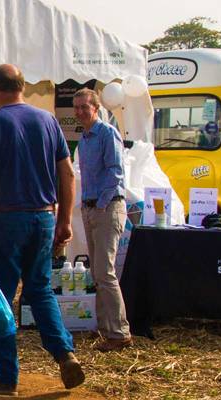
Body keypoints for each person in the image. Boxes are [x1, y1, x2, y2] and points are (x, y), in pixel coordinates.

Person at [0, 64, 85, 395]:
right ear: (22, 86)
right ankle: (65, 354)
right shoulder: (48, 121)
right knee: (40, 289)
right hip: (44, 217)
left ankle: (7, 377)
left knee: (1, 296)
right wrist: (64, 219)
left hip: (6, 219)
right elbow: (67, 174)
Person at [72, 88, 132, 351]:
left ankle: (119, 332)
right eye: (76, 108)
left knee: (105, 272)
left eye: (85, 107)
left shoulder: (107, 133)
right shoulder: (84, 139)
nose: (80, 112)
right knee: (97, 272)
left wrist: (102, 204)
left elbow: (116, 172)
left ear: (96, 108)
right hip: (90, 207)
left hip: (107, 208)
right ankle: (106, 328)